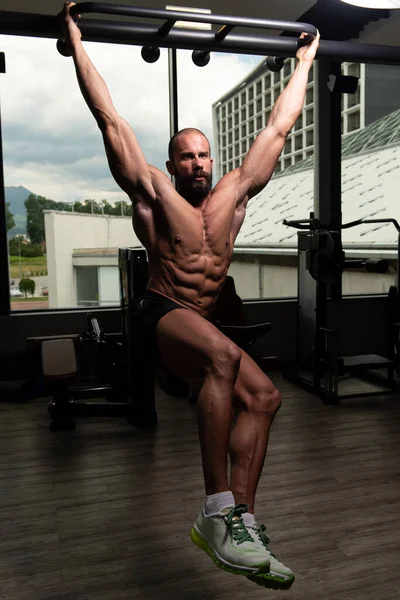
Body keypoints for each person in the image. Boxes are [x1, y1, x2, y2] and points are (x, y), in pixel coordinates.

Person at [58, 2, 319, 589]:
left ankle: (242, 522)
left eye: (204, 154)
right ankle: (216, 509)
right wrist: (76, 41)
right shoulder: (153, 193)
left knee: (266, 397)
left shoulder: (236, 191)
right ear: (171, 162)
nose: (198, 163)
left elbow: (280, 125)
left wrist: (304, 61)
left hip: (199, 318)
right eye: (187, 155)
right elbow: (109, 117)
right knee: (224, 358)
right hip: (159, 312)